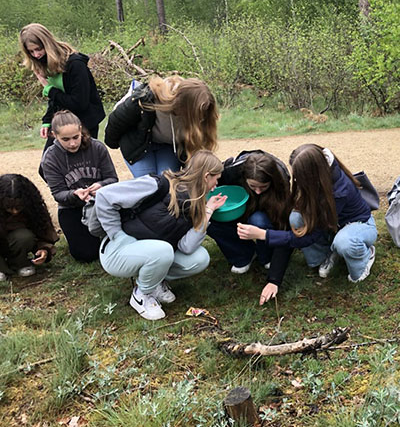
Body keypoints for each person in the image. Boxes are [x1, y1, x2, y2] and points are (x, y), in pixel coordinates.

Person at [95, 150, 227, 321]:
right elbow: (103, 196)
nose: (216, 185)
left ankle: (154, 281)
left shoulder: (196, 202)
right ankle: (141, 294)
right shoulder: (158, 184)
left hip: (152, 252)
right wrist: (118, 235)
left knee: (200, 258)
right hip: (118, 250)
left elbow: (186, 247)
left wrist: (208, 211)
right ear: (206, 176)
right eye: (216, 179)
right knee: (164, 250)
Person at [237, 144, 377, 304]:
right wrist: (274, 280)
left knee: (347, 250)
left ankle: (366, 256)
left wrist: (262, 234)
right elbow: (303, 228)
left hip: (359, 225)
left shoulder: (338, 192)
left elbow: (306, 237)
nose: (295, 180)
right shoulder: (322, 178)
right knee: (296, 219)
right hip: (333, 226)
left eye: (299, 176)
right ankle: (330, 252)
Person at [207, 151, 293, 292]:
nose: (258, 191)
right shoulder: (230, 172)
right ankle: (242, 254)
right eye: (253, 186)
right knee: (209, 220)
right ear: (244, 177)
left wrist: (274, 279)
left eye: (263, 187)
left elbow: (285, 229)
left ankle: (266, 256)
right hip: (240, 206)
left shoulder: (281, 180)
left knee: (258, 220)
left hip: (265, 213)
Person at [41, 110, 118, 262]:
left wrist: (101, 185)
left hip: (102, 204)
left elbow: (112, 179)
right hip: (72, 209)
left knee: (116, 243)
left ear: (81, 130)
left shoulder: (97, 147)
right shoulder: (50, 158)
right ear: (54, 136)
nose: (73, 143)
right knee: (86, 255)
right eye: (66, 139)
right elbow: (58, 194)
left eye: (76, 137)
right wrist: (74, 194)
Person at [104, 75, 219, 177]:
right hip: (139, 145)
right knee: (148, 186)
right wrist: (113, 143)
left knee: (167, 183)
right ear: (185, 106)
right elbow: (117, 120)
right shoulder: (146, 98)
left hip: (167, 146)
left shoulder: (203, 112)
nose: (201, 117)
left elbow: (199, 148)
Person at [19, 23, 105, 152]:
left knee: (81, 169)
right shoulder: (45, 63)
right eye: (31, 52)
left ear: (47, 44)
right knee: (46, 167)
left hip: (85, 122)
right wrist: (47, 121)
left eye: (38, 49)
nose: (36, 55)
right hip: (62, 121)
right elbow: (56, 98)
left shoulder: (75, 64)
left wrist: (48, 89)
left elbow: (79, 103)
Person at [0, 174, 58, 281]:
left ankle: (20, 263)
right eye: (9, 207)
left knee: (24, 237)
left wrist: (44, 249)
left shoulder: (34, 208)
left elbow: (43, 231)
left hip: (16, 244)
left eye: (18, 207)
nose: (15, 212)